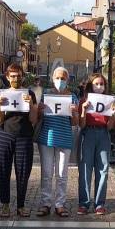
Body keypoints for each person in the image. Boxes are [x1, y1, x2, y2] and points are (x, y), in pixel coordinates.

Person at [0, 65, 39, 218]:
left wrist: (32, 104)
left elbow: (33, 120)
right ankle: (5, 205)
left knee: (23, 172)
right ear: (7, 77)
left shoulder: (30, 93)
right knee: (2, 171)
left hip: (24, 136)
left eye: (18, 76)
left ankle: (21, 205)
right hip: (4, 135)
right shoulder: (3, 94)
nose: (16, 79)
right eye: (12, 76)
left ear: (23, 76)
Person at [36, 66, 79, 217]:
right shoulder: (46, 95)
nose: (60, 81)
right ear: (52, 79)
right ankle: (45, 203)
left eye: (63, 78)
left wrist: (74, 112)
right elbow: (38, 117)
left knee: (62, 174)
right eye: (57, 78)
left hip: (65, 139)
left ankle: (60, 204)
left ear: (68, 80)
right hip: (46, 138)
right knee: (46, 173)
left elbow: (75, 122)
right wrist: (39, 110)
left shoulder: (73, 97)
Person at [77, 73, 115, 215]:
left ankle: (99, 204)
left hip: (103, 133)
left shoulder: (109, 102)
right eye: (96, 84)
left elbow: (111, 126)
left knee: (103, 169)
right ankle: (84, 203)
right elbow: (81, 124)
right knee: (85, 169)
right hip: (88, 133)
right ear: (91, 85)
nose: (99, 86)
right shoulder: (84, 100)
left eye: (102, 84)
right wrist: (83, 110)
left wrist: (113, 113)